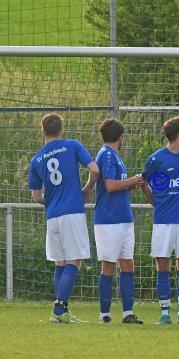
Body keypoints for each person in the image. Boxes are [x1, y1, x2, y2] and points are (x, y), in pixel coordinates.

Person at [28, 113, 99, 323]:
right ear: (62, 130)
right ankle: (60, 308)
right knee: (73, 261)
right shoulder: (72, 145)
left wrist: (51, 202)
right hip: (72, 213)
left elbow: (36, 197)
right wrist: (86, 188)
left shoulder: (36, 159)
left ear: (42, 131)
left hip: (52, 216)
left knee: (60, 262)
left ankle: (59, 312)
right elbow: (94, 168)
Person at [141, 116, 179, 325]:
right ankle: (165, 312)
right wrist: (156, 203)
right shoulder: (157, 159)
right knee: (162, 263)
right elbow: (144, 182)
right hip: (163, 220)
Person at [94, 118, 145, 324]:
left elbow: (118, 185)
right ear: (120, 137)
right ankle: (104, 315)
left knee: (127, 264)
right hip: (109, 219)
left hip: (124, 217)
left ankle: (127, 313)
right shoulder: (106, 154)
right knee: (108, 265)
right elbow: (110, 186)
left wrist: (130, 184)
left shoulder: (115, 156)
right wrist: (133, 180)